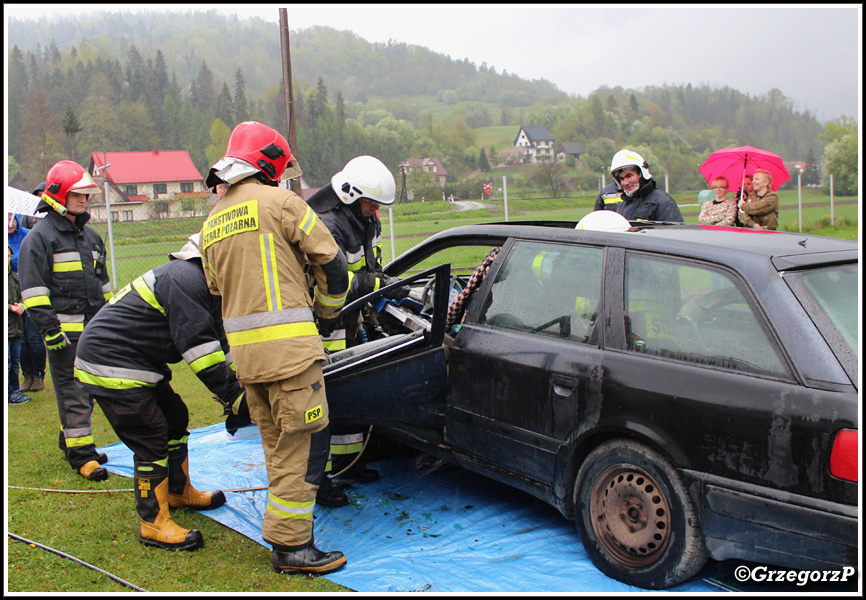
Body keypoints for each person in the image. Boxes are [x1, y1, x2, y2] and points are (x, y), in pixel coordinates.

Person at [201, 120, 349, 575]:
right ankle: (293, 548)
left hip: (247, 361)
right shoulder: (284, 202)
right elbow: (333, 262)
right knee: (302, 447)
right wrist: (326, 312)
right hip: (291, 356)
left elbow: (214, 287)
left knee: (276, 446)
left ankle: (286, 536)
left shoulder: (212, 222)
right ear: (268, 163)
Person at [74, 234, 246, 551]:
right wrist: (236, 397)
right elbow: (201, 351)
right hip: (111, 362)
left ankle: (179, 491)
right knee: (150, 433)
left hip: (135, 360)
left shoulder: (208, 287)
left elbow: (223, 344)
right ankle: (153, 523)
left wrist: (245, 384)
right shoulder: (186, 279)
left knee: (175, 417)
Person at [306, 155, 402, 508]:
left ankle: (347, 464)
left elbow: (366, 266)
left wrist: (379, 285)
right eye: (370, 201)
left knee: (348, 393)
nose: (374, 208)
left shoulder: (361, 219)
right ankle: (318, 480)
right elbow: (332, 281)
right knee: (321, 402)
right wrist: (375, 283)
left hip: (348, 318)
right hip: (324, 325)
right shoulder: (328, 226)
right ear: (348, 195)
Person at [18, 160, 113, 481]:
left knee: (90, 389)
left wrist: (110, 324)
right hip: (62, 336)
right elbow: (33, 292)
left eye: (86, 195)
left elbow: (104, 287)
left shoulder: (92, 238)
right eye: (77, 195)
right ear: (58, 195)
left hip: (94, 334)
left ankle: (72, 440)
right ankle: (82, 455)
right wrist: (50, 331)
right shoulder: (39, 239)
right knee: (73, 392)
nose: (84, 201)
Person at [596, 149, 684, 222]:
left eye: (629, 176)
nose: (625, 183)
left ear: (642, 174)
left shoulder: (663, 202)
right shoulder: (624, 204)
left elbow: (675, 235)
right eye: (622, 179)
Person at [8, 245, 30, 405]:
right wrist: (10, 307)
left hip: (16, 328)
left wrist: (22, 305)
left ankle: (14, 391)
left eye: (9, 255)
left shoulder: (14, 277)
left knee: (15, 362)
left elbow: (24, 294)